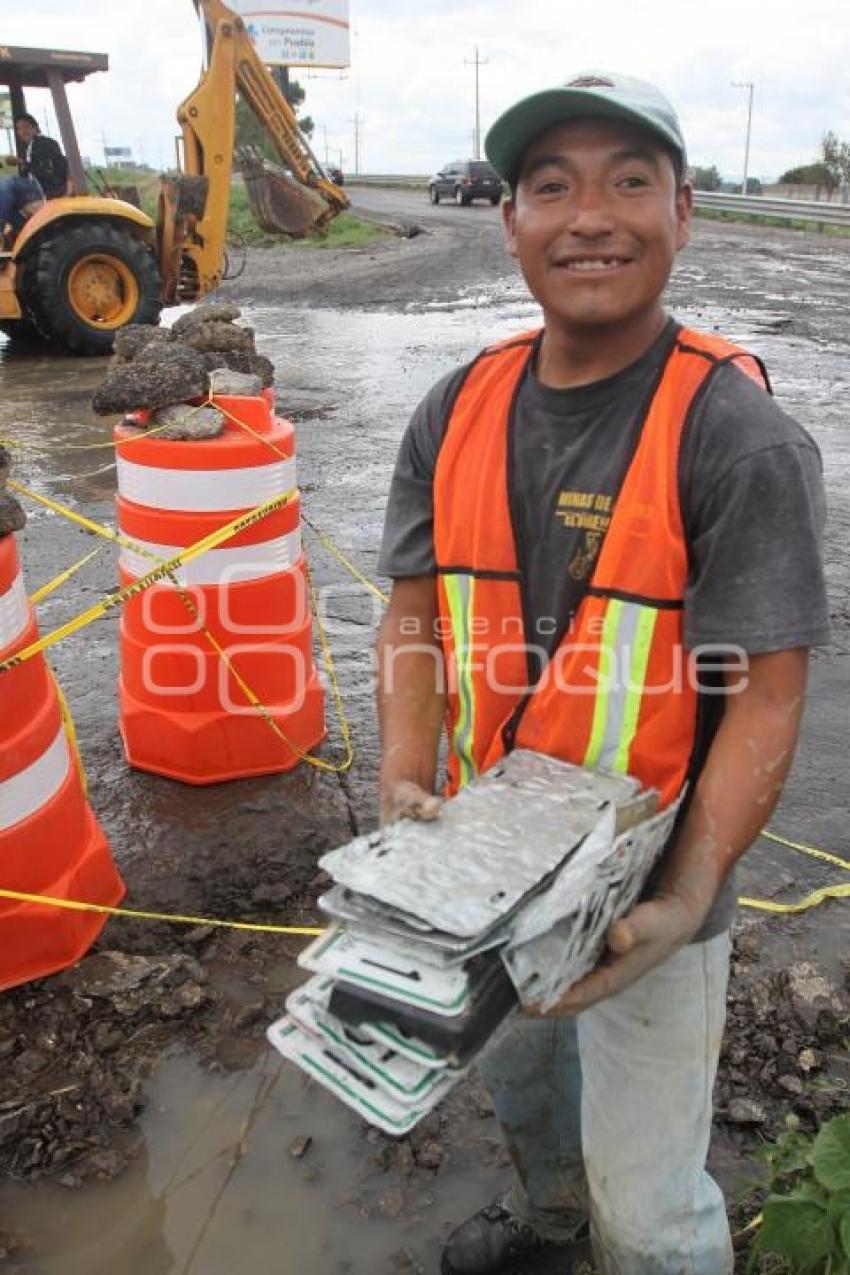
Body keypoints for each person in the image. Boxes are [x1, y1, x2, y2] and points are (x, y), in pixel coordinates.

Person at [376, 72, 829, 1275]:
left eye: (630, 181)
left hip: (647, 896)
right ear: (507, 217)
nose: (590, 214)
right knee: (523, 1083)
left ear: (684, 212)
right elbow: (412, 621)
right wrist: (406, 778)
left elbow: (769, 696)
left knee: (649, 1196)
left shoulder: (738, 440)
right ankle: (547, 1227)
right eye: (551, 186)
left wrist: (682, 900)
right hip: (482, 868)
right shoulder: (455, 406)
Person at [0, 113, 69, 240]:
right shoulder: (30, 146)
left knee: (6, 184)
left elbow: (47, 171)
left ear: (36, 127)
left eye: (26, 127)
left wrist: (22, 163)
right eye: (19, 129)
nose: (22, 131)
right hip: (35, 188)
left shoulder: (44, 143)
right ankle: (24, 237)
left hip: (45, 188)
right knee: (8, 203)